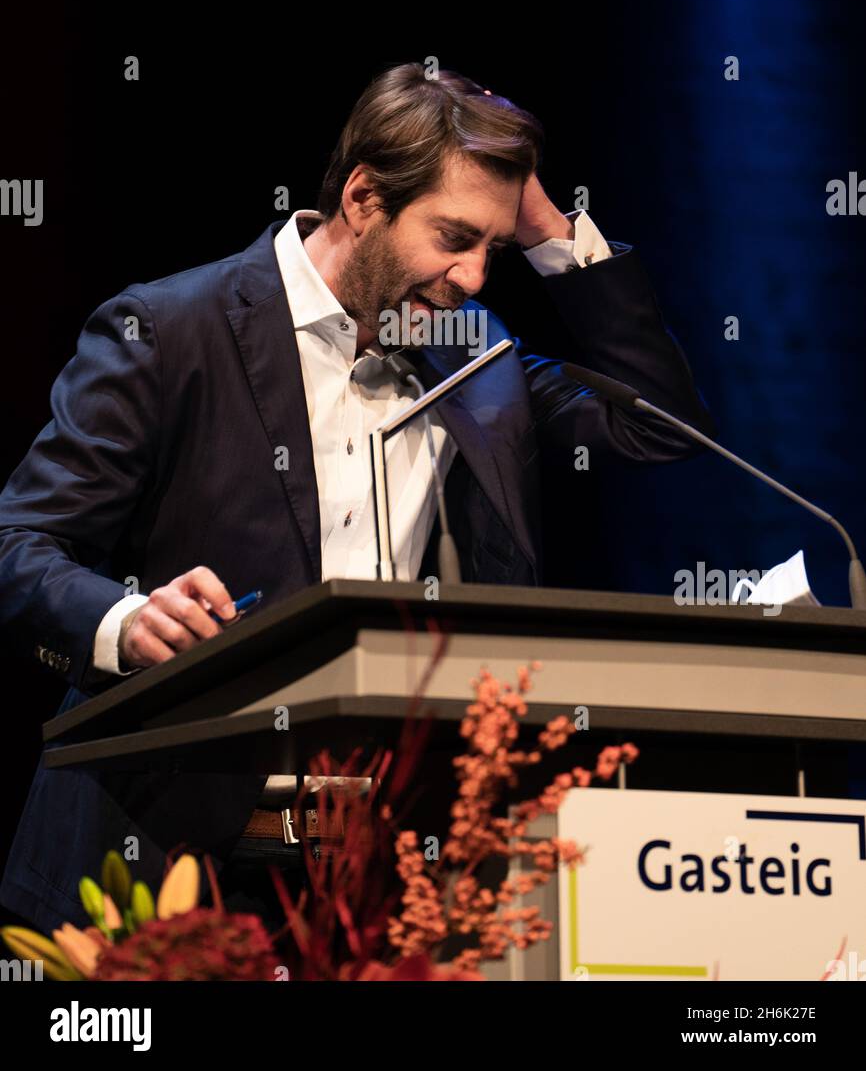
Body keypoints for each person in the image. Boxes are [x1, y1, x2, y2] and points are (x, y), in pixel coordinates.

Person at [0, 62, 712, 936]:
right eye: (455, 235)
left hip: (372, 879)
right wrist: (127, 620)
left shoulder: (471, 356)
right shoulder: (168, 330)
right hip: (161, 860)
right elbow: (22, 546)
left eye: (494, 245)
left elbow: (664, 429)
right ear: (365, 198)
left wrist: (552, 235)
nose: (476, 276)